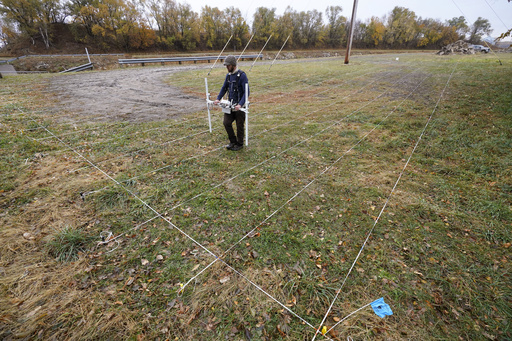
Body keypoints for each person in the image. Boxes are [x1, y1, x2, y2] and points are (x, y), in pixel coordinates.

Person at [214, 55, 249, 151]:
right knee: (226, 122)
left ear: (233, 65)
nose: (227, 68)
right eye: (226, 66)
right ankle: (233, 141)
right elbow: (224, 88)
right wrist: (218, 98)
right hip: (230, 105)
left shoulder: (242, 76)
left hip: (240, 107)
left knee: (239, 125)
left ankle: (240, 143)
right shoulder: (228, 76)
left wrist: (240, 104)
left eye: (228, 66)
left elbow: (247, 92)